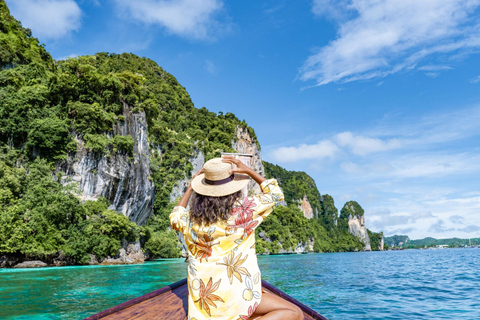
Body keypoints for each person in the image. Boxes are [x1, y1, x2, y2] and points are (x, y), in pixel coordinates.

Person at [170, 155, 303, 320]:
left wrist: (190, 188)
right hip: (235, 296)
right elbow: (276, 194)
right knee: (295, 313)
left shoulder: (191, 220)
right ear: (232, 187)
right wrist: (247, 170)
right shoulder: (243, 212)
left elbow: (175, 216)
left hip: (206, 303)